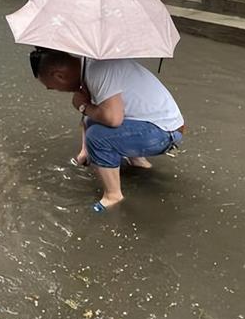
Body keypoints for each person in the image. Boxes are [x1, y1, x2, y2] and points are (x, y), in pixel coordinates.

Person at [30, 48, 184, 212]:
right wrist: (85, 151)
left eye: (51, 87)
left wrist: (83, 106)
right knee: (95, 119)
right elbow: (92, 116)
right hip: (161, 125)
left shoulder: (98, 70)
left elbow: (113, 118)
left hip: (165, 133)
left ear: (58, 76)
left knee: (97, 137)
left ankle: (113, 195)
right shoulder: (89, 65)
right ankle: (138, 162)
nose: (54, 90)